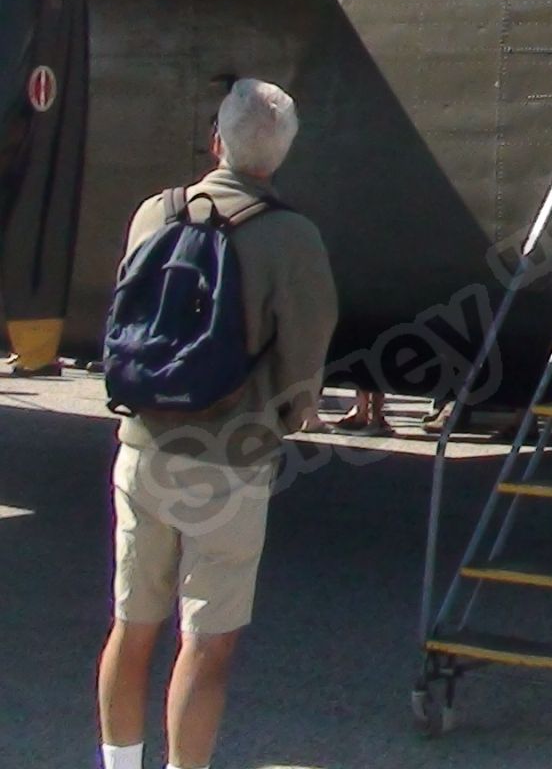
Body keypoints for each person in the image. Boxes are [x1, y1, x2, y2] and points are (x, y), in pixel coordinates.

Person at [96, 79, 337, 769]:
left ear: (216, 139)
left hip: (142, 443)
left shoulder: (156, 213)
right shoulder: (291, 236)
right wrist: (282, 419)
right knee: (206, 640)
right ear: (281, 154)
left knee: (131, 626)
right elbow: (306, 347)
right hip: (230, 457)